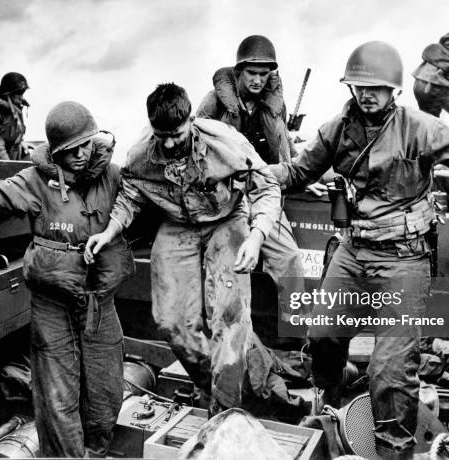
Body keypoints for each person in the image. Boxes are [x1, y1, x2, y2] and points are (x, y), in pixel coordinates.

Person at [270, 41, 449, 458]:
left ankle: (395, 450)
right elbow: (298, 171)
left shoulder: (420, 128)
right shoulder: (337, 129)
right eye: (358, 86)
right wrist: (251, 172)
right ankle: (332, 399)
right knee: (322, 336)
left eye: (375, 87)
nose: (366, 94)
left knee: (390, 372)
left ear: (394, 90)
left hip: (404, 259)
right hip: (353, 252)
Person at [0, 101, 133, 458]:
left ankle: (94, 452)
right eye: (70, 150)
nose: (80, 155)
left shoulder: (114, 176)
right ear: (56, 151)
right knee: (57, 404)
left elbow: (146, 201)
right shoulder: (35, 180)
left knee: (105, 395)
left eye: (86, 146)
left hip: (99, 303)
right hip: (52, 304)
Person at [85, 83, 309, 419]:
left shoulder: (226, 142)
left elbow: (265, 186)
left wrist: (256, 236)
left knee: (229, 321)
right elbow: (130, 196)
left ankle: (226, 412)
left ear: (191, 119)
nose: (171, 142)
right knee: (171, 322)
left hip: (226, 220)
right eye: (163, 136)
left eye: (177, 133)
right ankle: (237, 382)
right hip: (178, 226)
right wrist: (109, 231)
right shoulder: (141, 154)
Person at [197, 35, 305, 332]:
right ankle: (219, 332)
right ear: (238, 72)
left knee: (289, 258)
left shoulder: (273, 105)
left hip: (264, 191)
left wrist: (303, 175)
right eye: (252, 73)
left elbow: (287, 149)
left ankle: (293, 333)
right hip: (225, 197)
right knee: (225, 264)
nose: (258, 80)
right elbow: (195, 151)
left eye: (264, 74)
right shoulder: (213, 104)